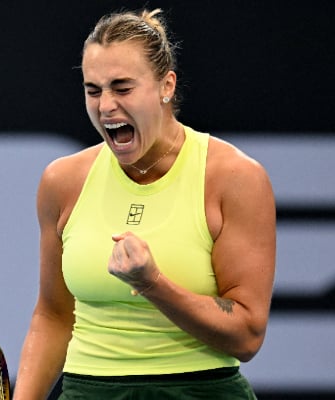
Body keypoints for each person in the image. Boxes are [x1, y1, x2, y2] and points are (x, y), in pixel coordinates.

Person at [14, 8, 276, 400]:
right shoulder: (62, 182)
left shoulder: (234, 178)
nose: (105, 106)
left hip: (201, 392)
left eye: (122, 88)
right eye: (93, 90)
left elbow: (247, 336)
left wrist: (152, 283)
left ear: (166, 85)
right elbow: (53, 315)